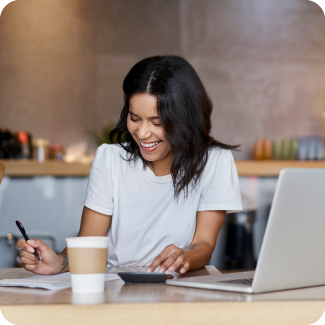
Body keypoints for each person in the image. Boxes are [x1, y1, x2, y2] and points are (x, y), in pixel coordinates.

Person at [17, 55, 242, 275]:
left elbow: (203, 243)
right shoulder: (110, 159)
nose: (143, 133)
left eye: (157, 122)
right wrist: (58, 262)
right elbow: (89, 242)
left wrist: (184, 257)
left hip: (181, 285)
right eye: (135, 118)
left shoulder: (214, 162)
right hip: (119, 285)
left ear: (185, 119)